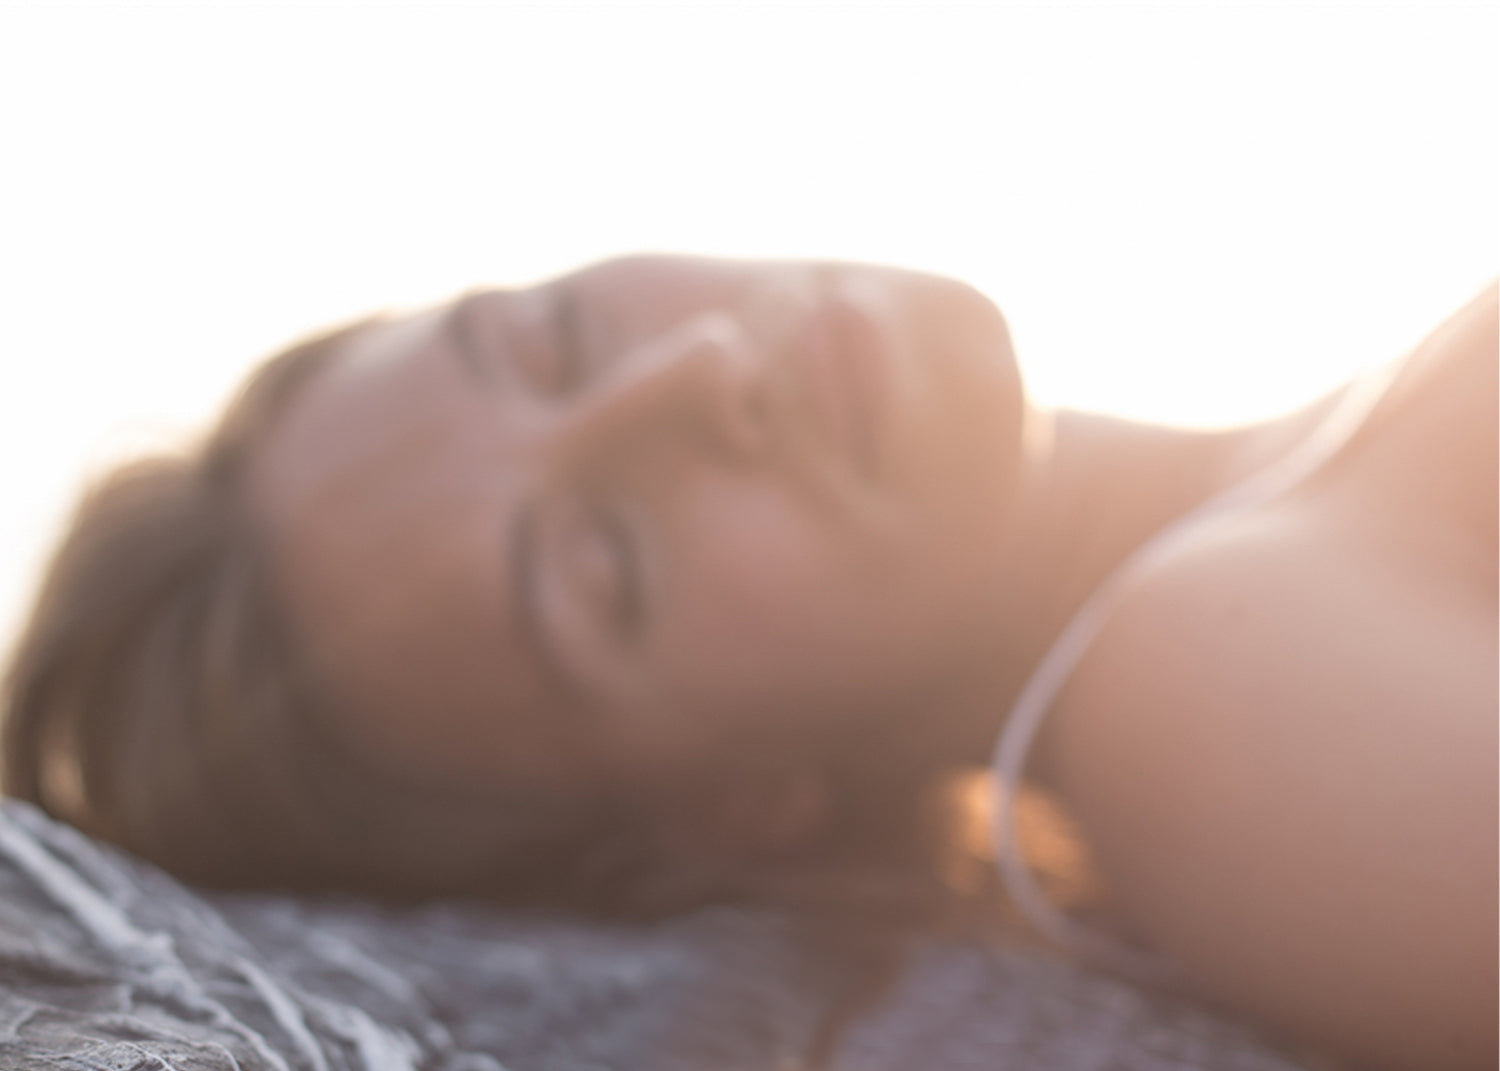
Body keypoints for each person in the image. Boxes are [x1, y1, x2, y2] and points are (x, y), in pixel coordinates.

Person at [3, 256, 1493, 1071]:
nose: (699, 372)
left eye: (555, 336)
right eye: (610, 564)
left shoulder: (1294, 506)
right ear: (730, 811)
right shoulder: (1207, 696)